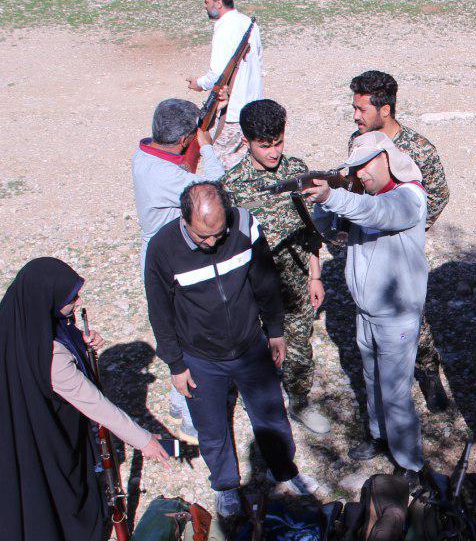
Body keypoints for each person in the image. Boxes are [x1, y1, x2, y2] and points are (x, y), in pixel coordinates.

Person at [0, 258, 171, 541]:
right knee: (57, 494)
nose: (77, 303)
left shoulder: (21, 318)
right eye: (71, 298)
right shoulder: (51, 358)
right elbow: (95, 404)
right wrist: (143, 440)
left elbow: (60, 340)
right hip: (46, 437)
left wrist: (79, 343)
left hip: (27, 425)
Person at [144, 182, 301, 518]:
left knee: (271, 414)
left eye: (219, 234)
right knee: (212, 428)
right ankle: (226, 487)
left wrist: (275, 331)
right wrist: (175, 364)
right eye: (203, 237)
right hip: (200, 357)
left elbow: (266, 281)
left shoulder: (243, 225)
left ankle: (284, 471)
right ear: (184, 219)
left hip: (250, 346)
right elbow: (160, 311)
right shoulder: (162, 248)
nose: (213, 243)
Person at [301, 132, 429, 475]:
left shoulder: (409, 197)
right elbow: (329, 231)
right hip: (366, 311)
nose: (361, 173)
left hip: (396, 316)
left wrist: (335, 195)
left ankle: (410, 463)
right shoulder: (362, 197)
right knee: (372, 379)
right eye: (355, 168)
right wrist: (323, 202)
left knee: (396, 395)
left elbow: (379, 214)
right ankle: (379, 435)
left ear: (387, 157)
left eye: (366, 164)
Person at [221, 98, 331, 436]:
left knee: (299, 348)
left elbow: (310, 229)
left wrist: (315, 275)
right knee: (258, 352)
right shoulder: (232, 186)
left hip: (296, 283)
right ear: (246, 141)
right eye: (264, 145)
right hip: (255, 290)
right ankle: (262, 407)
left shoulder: (296, 170)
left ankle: (300, 402)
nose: (273, 152)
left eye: (278, 142)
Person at [348, 70, 452, 412]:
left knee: (411, 315)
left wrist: (413, 228)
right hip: (369, 245)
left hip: (402, 248)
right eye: (355, 108)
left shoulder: (419, 149)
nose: (356, 116)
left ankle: (428, 372)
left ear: (385, 110)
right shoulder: (359, 140)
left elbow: (438, 194)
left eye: (362, 109)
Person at [132, 97, 228, 445]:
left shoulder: (144, 154)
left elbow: (189, 158)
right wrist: (209, 148)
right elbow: (216, 190)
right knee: (189, 336)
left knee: (175, 329)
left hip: (160, 252)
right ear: (186, 138)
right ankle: (192, 417)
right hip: (172, 258)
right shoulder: (167, 176)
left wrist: (213, 120)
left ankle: (177, 401)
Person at [185, 0, 263, 169]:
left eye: (206, 1)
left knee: (218, 161)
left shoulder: (224, 27)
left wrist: (199, 83)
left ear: (218, 3)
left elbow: (217, 75)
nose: (205, 6)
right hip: (255, 108)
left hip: (234, 111)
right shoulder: (248, 24)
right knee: (248, 161)